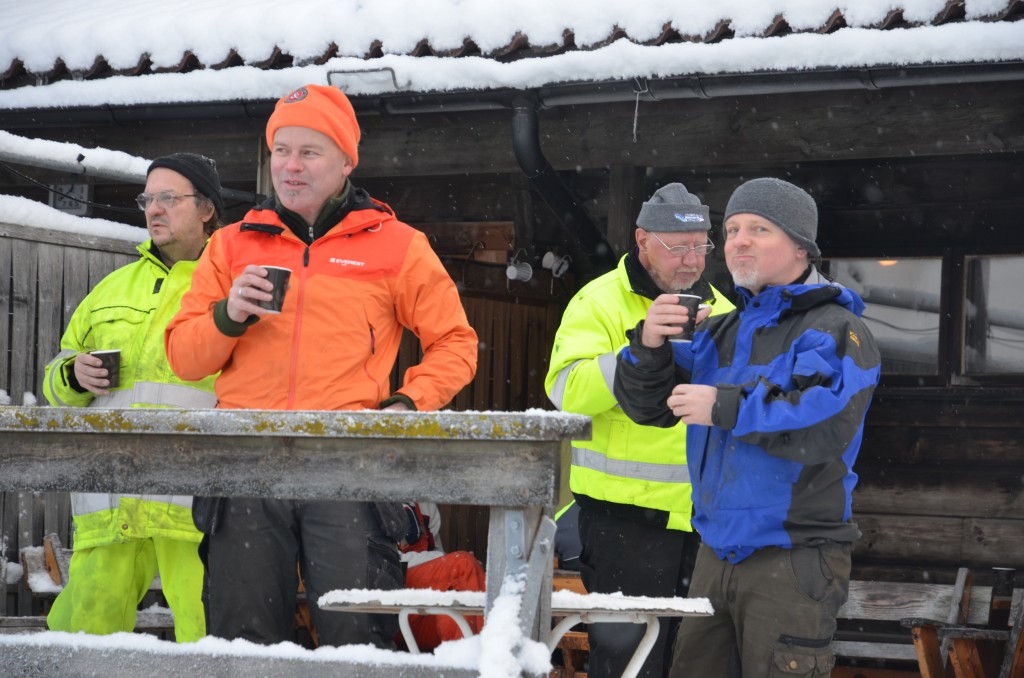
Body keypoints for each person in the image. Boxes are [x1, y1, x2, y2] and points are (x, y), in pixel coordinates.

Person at [164, 84, 479, 648]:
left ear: (345, 160)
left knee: (356, 640)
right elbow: (185, 359)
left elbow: (456, 343)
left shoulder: (398, 245)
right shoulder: (230, 245)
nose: (290, 165)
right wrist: (229, 314)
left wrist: (407, 404)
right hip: (246, 462)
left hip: (347, 463)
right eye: (281, 150)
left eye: (309, 152)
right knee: (242, 641)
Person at [613, 177, 882, 677]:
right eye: (733, 229)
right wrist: (648, 344)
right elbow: (649, 406)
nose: (739, 240)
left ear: (801, 246)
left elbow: (821, 424)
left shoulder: (835, 329)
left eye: (759, 228)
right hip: (715, 554)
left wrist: (725, 405)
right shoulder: (721, 330)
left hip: (795, 556)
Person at [544, 182, 735, 677]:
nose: (692, 261)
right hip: (623, 523)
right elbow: (565, 390)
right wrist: (637, 355)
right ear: (643, 239)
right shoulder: (600, 301)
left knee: (696, 661)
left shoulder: (723, 311)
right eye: (678, 247)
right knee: (629, 663)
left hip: (703, 523)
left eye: (701, 246)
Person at [41, 153, 225, 642]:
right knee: (83, 638)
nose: (154, 209)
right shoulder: (110, 288)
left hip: (194, 500)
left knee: (208, 637)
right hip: (112, 496)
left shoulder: (226, 287)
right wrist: (74, 376)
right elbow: (56, 378)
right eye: (148, 198)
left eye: (170, 198)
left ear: (207, 208)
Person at [397, 502, 486, 652]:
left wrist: (453, 566)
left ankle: (462, 664)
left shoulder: (425, 505)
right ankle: (492, 656)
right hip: (384, 610)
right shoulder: (367, 499)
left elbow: (439, 564)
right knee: (463, 564)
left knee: (455, 606)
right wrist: (450, 561)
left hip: (420, 619)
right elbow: (383, 560)